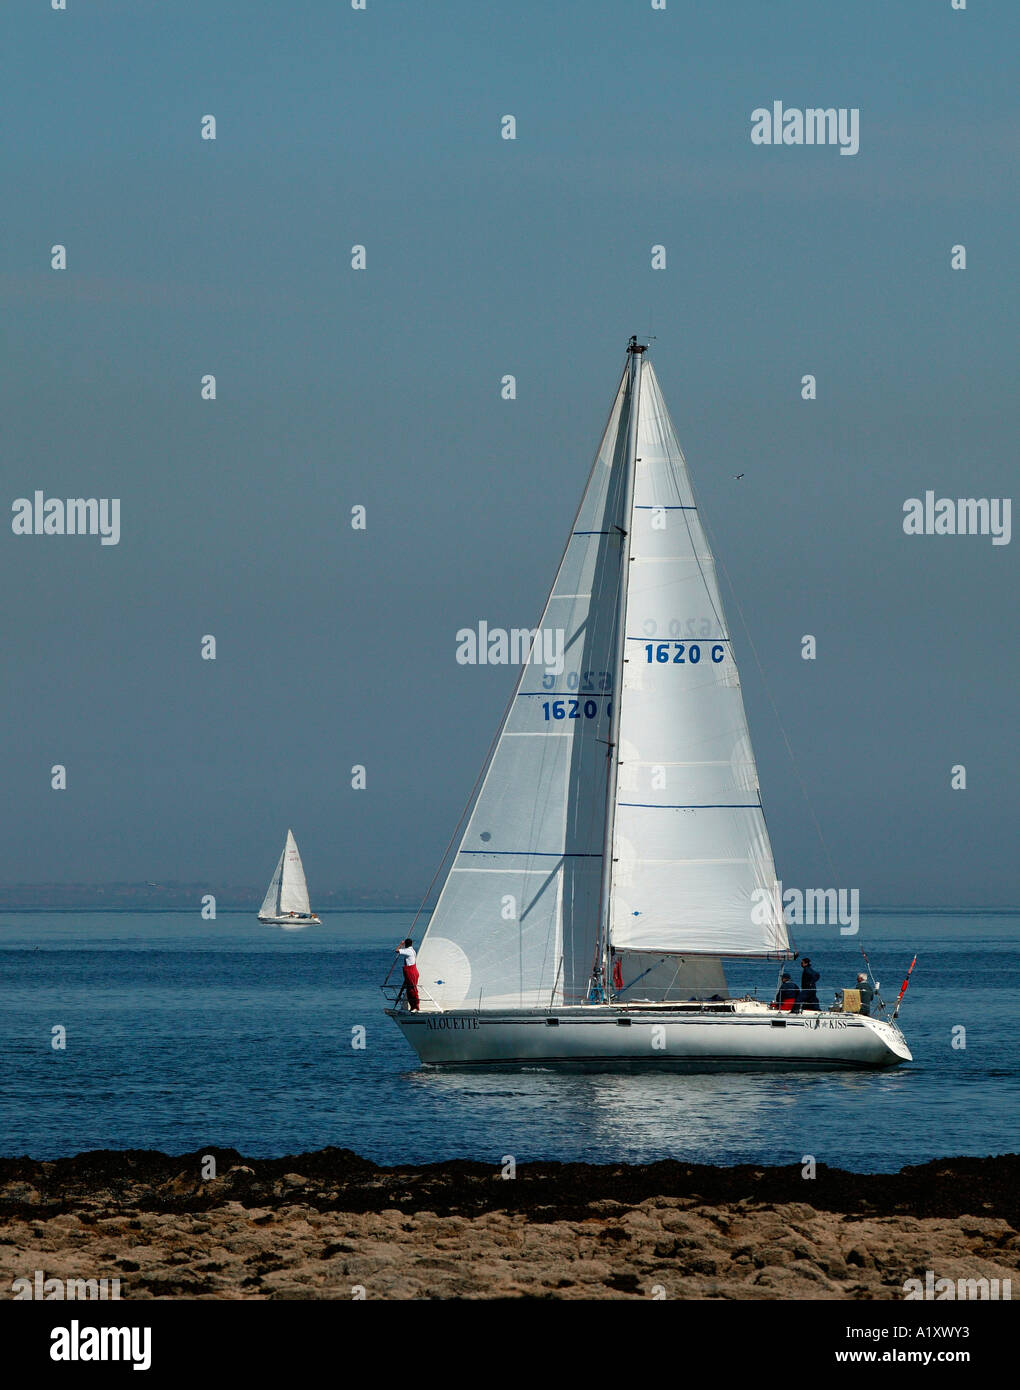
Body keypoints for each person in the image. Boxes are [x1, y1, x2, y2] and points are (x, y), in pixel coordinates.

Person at [397, 938, 420, 1012]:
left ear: (406, 944)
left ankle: (415, 1007)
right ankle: (412, 1007)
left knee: (412, 989)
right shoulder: (412, 950)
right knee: (409, 989)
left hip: (410, 971)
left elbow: (397, 950)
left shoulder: (408, 951)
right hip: (413, 971)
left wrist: (401, 944)